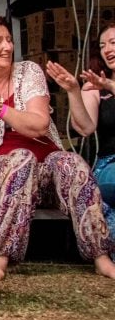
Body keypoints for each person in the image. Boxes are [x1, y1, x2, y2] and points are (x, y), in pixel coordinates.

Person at [0, 15, 115, 280]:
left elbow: (39, 124)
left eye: (9, 40)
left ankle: (101, 256)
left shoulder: (27, 71)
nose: (7, 46)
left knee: (72, 163)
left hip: (46, 168)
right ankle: (2, 255)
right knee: (22, 158)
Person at [44, 22, 115, 209]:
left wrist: (110, 85)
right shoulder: (94, 86)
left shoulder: (105, 85)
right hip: (110, 165)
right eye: (102, 46)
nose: (107, 50)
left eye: (113, 43)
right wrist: (74, 91)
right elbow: (85, 128)